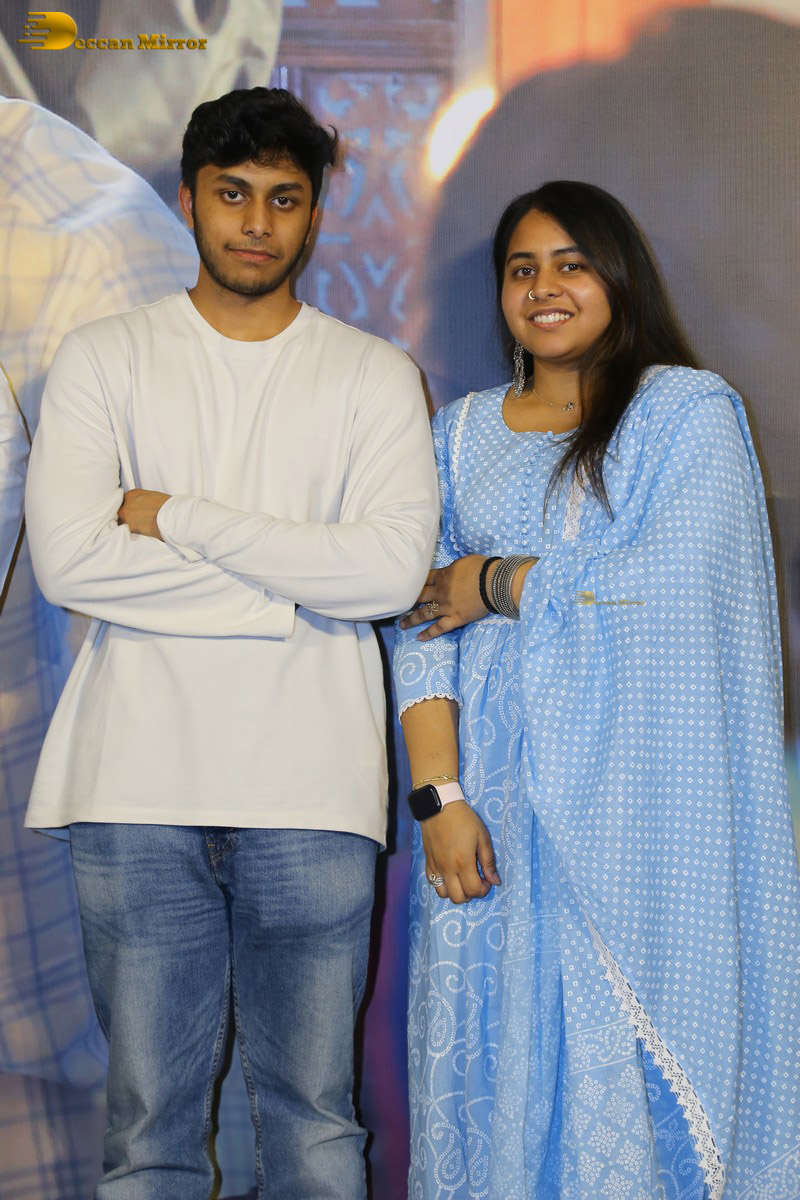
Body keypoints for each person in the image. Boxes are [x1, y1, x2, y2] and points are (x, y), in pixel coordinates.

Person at [23, 86, 439, 1200]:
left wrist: (181, 517)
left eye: (284, 199)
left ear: (316, 214)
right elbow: (72, 563)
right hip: (133, 785)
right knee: (148, 1136)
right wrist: (289, 592)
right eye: (233, 194)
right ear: (189, 199)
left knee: (314, 1128)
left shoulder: (373, 375)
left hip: (311, 790)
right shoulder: (104, 358)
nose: (257, 222)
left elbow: (385, 575)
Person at [393, 181, 800, 1200]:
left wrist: (500, 581)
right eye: (521, 269)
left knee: (620, 1060)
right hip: (490, 805)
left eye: (571, 264)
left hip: (638, 814)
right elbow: (420, 624)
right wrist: (439, 799)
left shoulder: (684, 414)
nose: (544, 287)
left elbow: (672, 588)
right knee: (497, 1052)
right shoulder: (457, 433)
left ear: (618, 276)